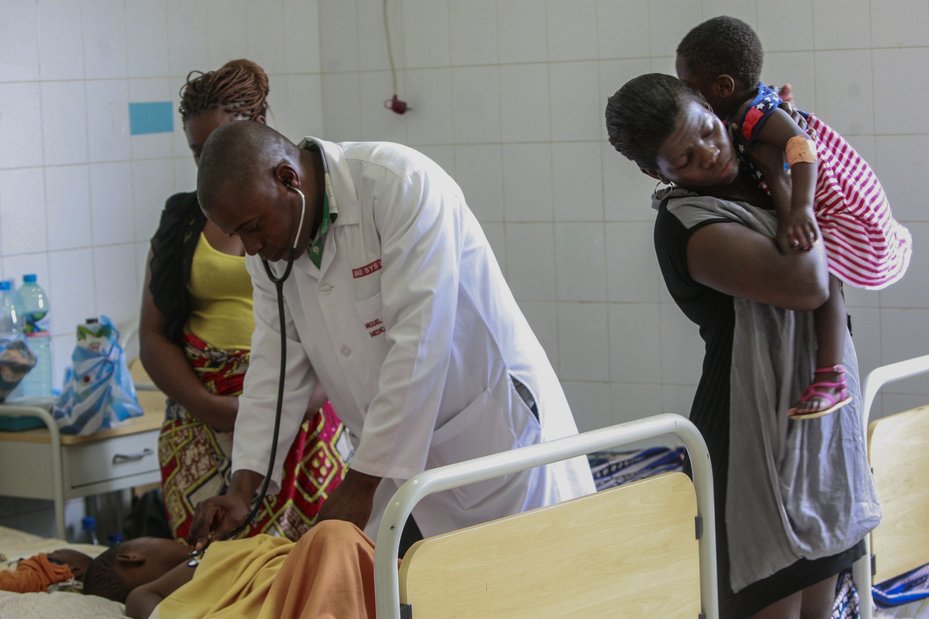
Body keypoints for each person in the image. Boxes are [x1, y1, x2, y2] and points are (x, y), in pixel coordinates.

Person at [187, 121, 596, 548]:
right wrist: (243, 485)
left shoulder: (398, 185)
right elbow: (275, 363)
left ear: (288, 179)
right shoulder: (273, 251)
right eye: (239, 235)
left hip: (491, 432)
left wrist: (360, 484)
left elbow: (420, 342)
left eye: (252, 228)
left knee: (538, 574)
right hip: (397, 455)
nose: (250, 248)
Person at [605, 73, 881, 618]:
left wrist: (778, 147)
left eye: (709, 131)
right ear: (652, 172)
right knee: (772, 594)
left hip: (818, 420)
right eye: (684, 157)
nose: (709, 154)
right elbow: (808, 284)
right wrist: (782, 178)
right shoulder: (688, 224)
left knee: (822, 598)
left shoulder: (752, 162)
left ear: (713, 106)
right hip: (749, 434)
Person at [139, 59, 346, 543]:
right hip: (201, 417)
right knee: (211, 566)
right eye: (197, 152)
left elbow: (333, 334)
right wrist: (210, 406)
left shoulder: (303, 218)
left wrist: (283, 409)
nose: (207, 162)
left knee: (305, 566)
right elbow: (152, 334)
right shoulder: (181, 221)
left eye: (218, 144)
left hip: (303, 411)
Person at [675, 16, 912, 419]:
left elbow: (801, 145)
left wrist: (800, 207)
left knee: (826, 279)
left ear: (724, 86)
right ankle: (829, 375)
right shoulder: (748, 111)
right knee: (822, 274)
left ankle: (831, 377)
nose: (687, 96)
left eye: (690, 85)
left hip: (842, 208)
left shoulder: (755, 115)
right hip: (822, 196)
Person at [78, 520, 376, 619]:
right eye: (157, 538)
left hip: (294, 575)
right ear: (132, 557)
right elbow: (139, 597)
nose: (173, 541)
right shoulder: (194, 566)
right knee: (332, 535)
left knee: (333, 542)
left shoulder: (210, 564)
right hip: (296, 584)